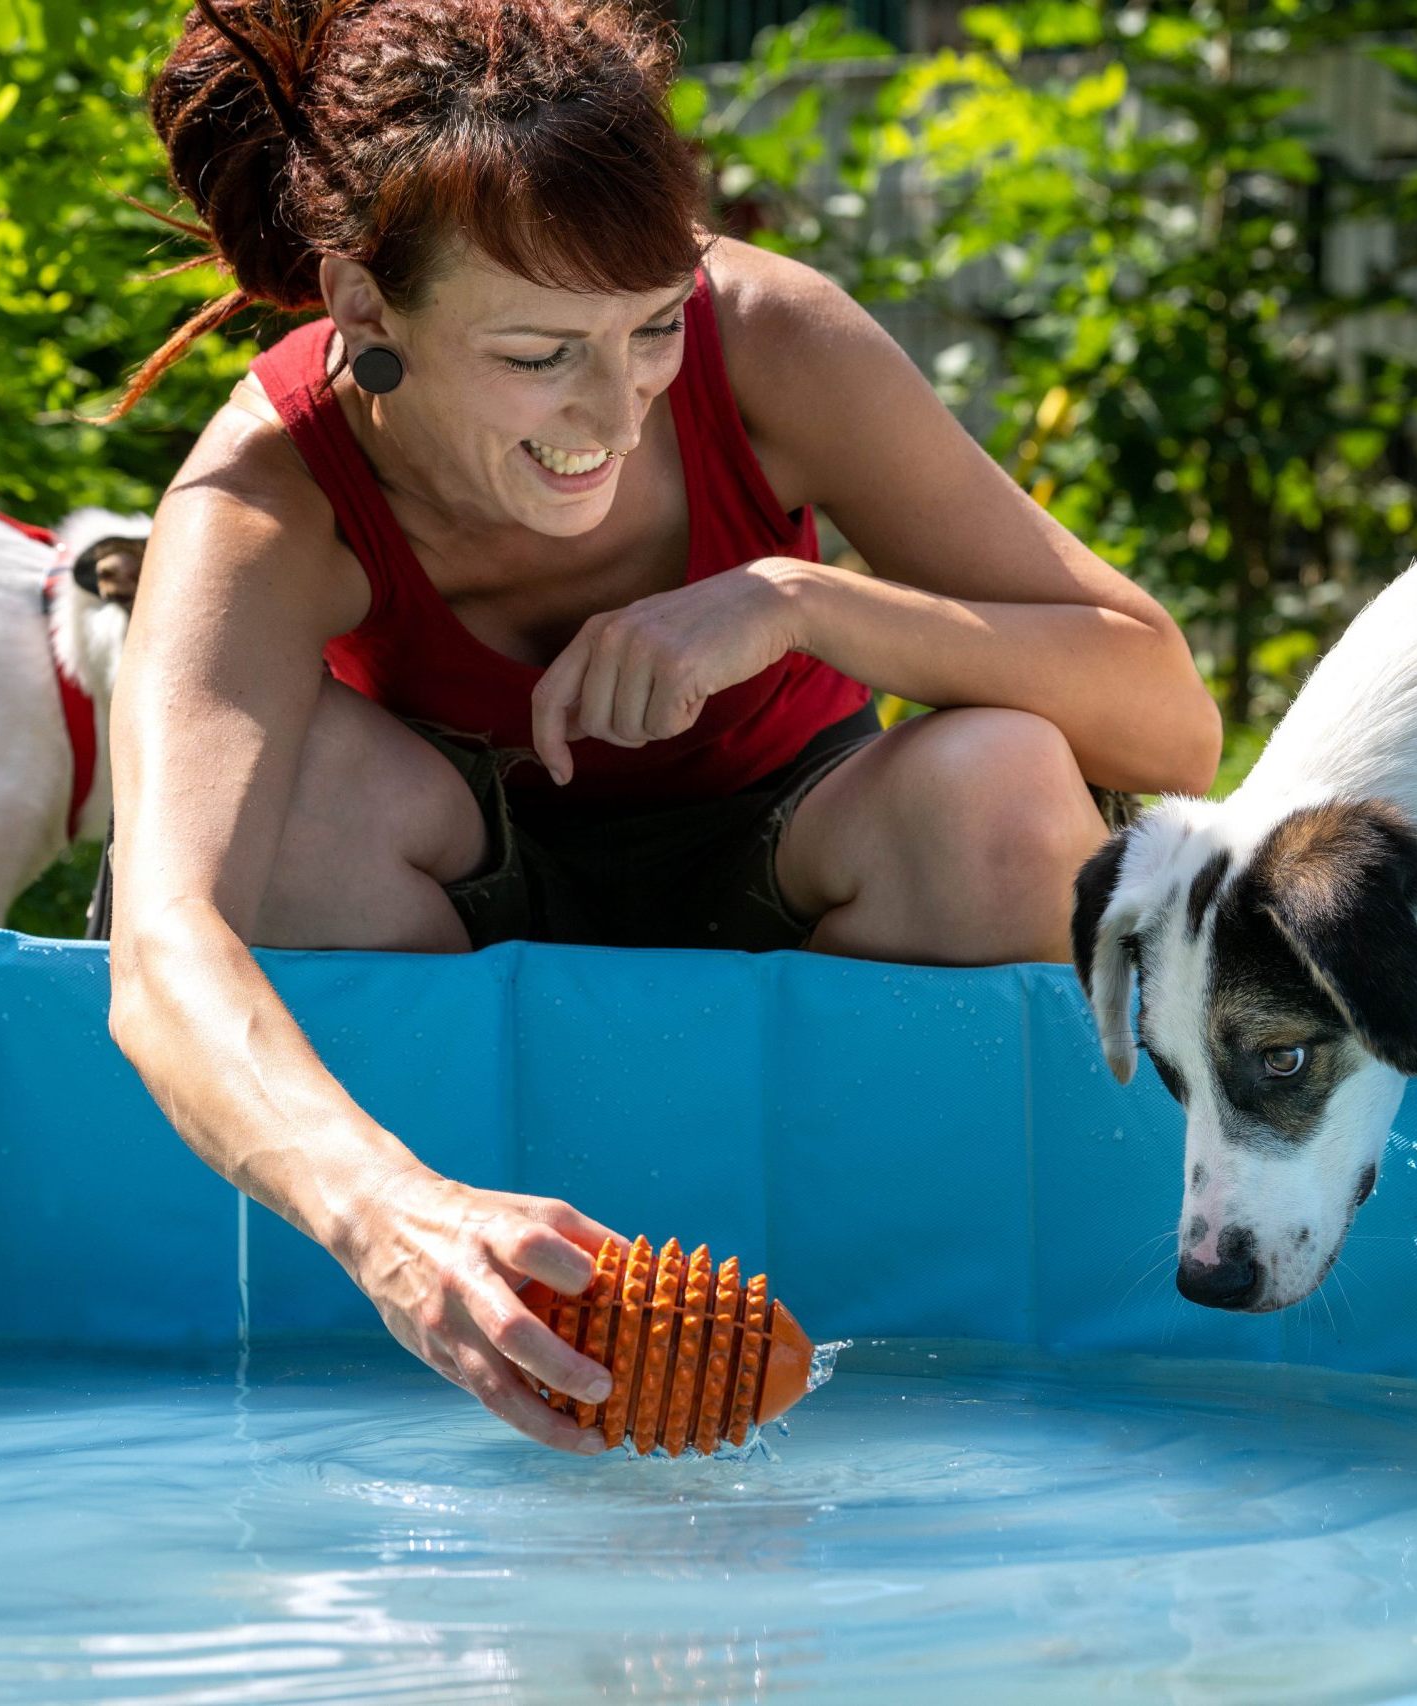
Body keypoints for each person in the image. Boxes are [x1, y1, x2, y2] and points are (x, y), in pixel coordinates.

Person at [103, 0, 1221, 1454]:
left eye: (644, 331)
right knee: (290, 816)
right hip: (451, 936)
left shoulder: (759, 338)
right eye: (535, 353)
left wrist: (797, 602)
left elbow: (1168, 724)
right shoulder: (264, 493)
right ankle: (424, 1326)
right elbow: (160, 948)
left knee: (1004, 786)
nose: (613, 410)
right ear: (367, 309)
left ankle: (963, 1348)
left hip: (801, 870)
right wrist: (390, 1219)